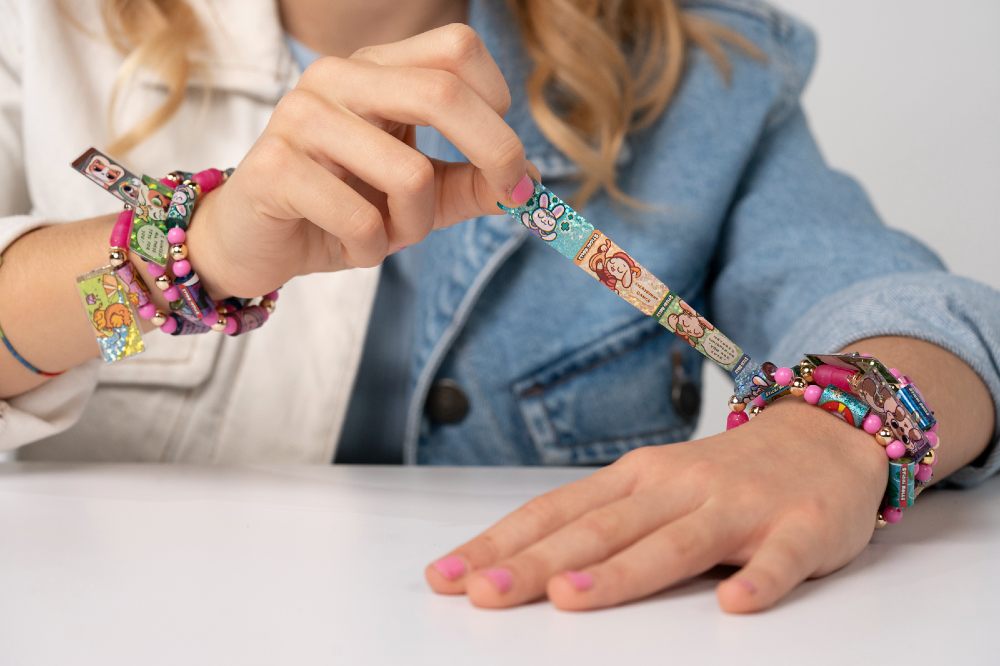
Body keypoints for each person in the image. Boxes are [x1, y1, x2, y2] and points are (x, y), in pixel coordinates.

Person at [0, 0, 997, 613]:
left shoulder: (698, 76)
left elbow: (911, 309)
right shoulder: (35, 36)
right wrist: (178, 261)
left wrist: (840, 430)